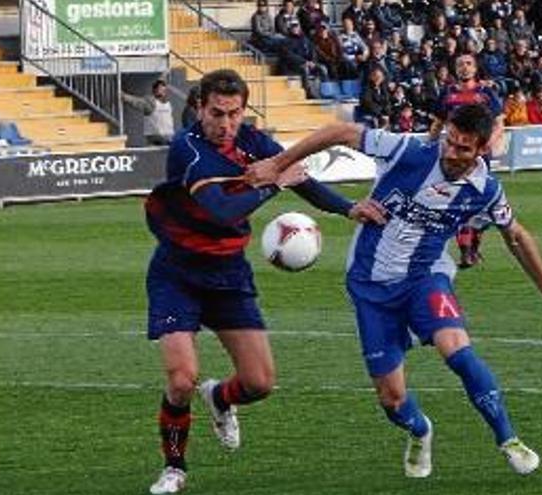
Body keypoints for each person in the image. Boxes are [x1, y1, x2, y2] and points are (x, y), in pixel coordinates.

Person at [245, 103, 542, 478]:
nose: (452, 153)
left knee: (456, 348)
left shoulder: (485, 190)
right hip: (370, 285)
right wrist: (279, 164)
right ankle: (420, 429)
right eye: (450, 142)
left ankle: (508, 439)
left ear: (482, 149)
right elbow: (340, 133)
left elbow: (516, 235)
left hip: (425, 277)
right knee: (392, 398)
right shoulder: (410, 151)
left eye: (464, 148)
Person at [144, 69, 385, 494]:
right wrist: (273, 180)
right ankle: (174, 469)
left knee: (259, 383)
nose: (226, 124)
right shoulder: (188, 149)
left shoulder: (253, 141)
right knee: (182, 379)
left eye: (234, 114)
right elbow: (221, 210)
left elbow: (300, 179)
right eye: (217, 113)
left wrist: (348, 209)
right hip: (177, 273)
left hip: (228, 273)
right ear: (199, 108)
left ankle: (219, 398)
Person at [428, 54, 504, 269]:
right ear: (455, 69)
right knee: (459, 201)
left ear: (475, 68)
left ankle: (473, 247)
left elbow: (499, 122)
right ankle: (465, 252)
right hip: (454, 155)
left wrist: (490, 142)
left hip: (479, 155)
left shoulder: (486, 93)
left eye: (469, 63)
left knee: (480, 204)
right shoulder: (448, 93)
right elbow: (437, 123)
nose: (465, 67)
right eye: (460, 64)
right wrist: (428, 147)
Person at [122, 79, 175, 146]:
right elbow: (137, 102)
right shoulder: (150, 103)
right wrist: (124, 96)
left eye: (164, 89)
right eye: (161, 89)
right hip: (156, 140)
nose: (163, 91)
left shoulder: (168, 103)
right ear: (154, 91)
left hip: (169, 138)